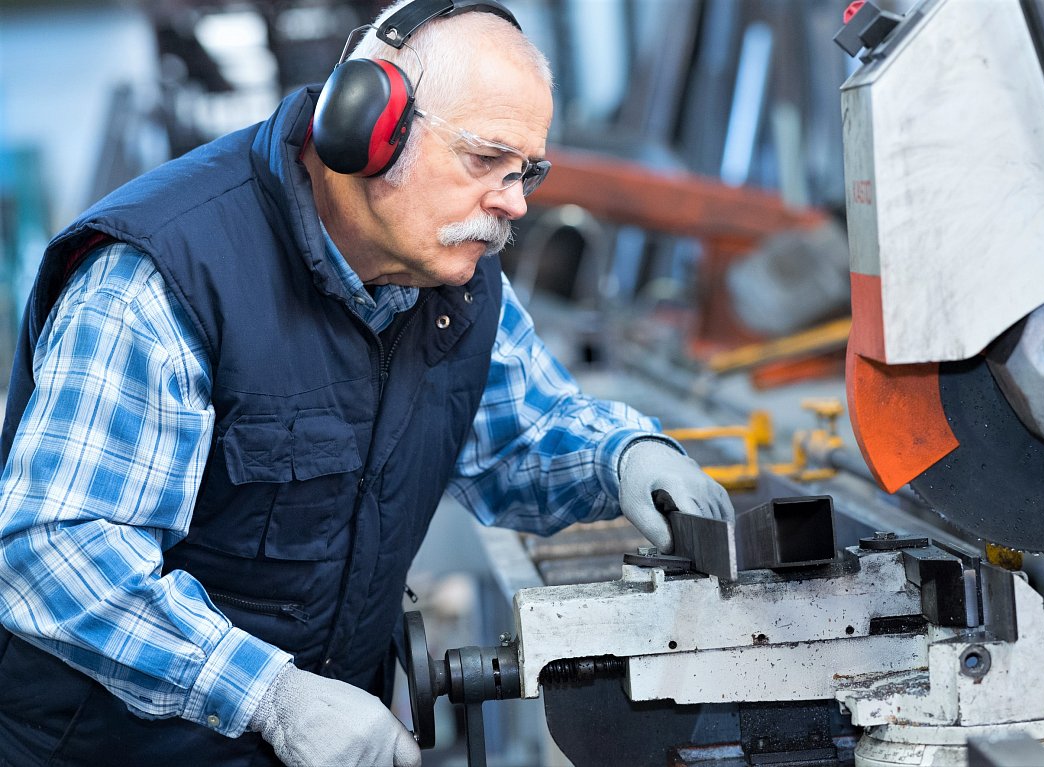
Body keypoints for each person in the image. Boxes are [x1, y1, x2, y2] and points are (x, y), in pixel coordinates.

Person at [0, 1, 734, 765]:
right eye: (486, 159)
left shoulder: (452, 280)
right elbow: (54, 554)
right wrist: (272, 696)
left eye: (526, 171)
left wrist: (622, 456)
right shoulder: (165, 277)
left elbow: (519, 431)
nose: (515, 202)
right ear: (368, 127)